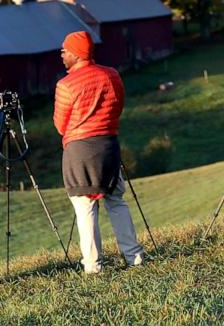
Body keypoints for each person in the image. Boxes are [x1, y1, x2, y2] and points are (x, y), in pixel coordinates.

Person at [54, 31, 144, 274]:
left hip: (79, 150)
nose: (61, 55)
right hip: (108, 145)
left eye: (64, 50)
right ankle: (134, 256)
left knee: (85, 207)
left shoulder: (65, 85)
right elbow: (118, 107)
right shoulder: (111, 75)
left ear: (75, 54)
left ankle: (93, 265)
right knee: (116, 200)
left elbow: (60, 125)